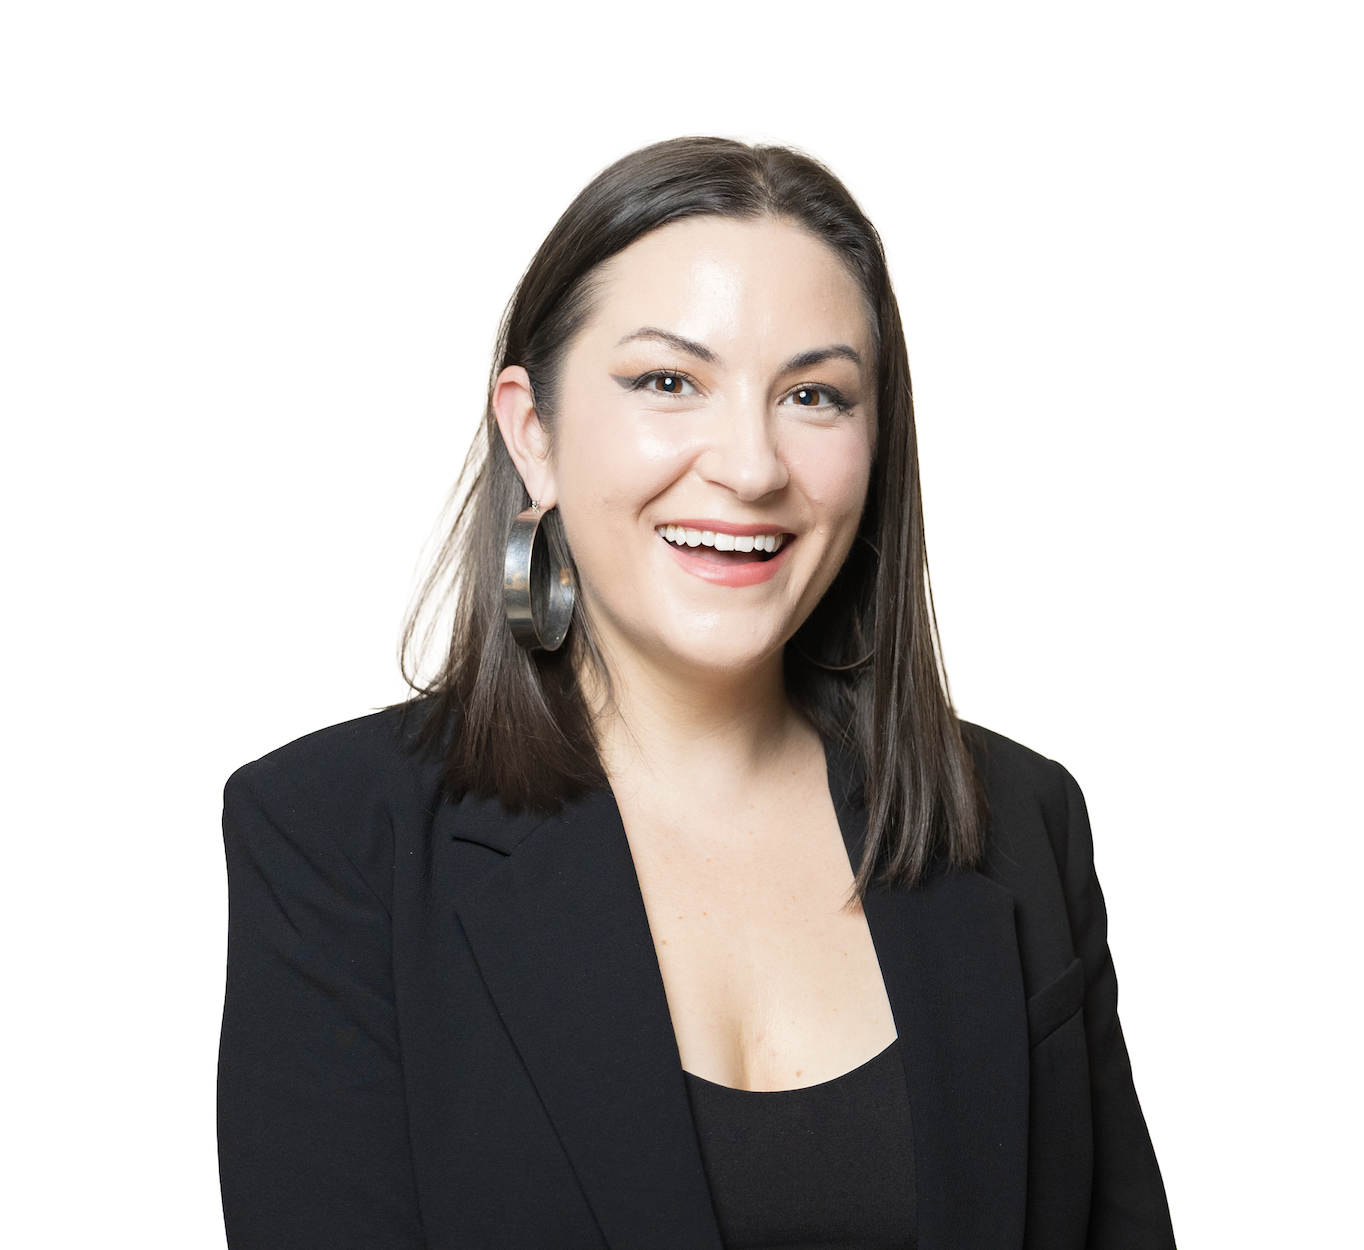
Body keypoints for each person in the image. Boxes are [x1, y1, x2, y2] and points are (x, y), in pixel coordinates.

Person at [217, 137, 1175, 1250]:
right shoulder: (334, 834)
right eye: (668, 381)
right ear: (533, 432)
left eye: (813, 394)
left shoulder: (1017, 818)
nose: (751, 464)